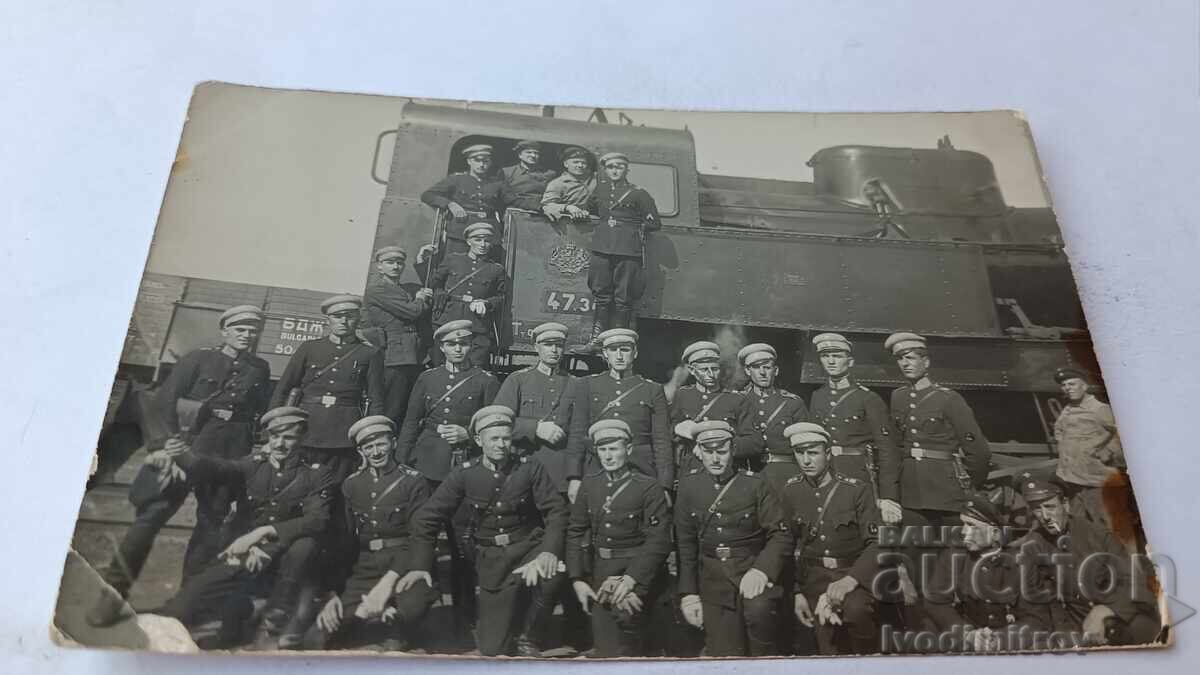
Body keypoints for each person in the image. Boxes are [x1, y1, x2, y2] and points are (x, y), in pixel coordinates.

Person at [88, 305, 272, 627]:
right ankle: (112, 595)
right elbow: (163, 402)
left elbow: (252, 417)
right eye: (240, 329)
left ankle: (186, 604)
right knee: (150, 518)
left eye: (252, 330)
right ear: (225, 331)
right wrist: (167, 446)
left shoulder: (260, 368)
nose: (247, 335)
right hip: (185, 452)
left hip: (223, 459)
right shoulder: (197, 359)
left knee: (210, 526)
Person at [154, 407, 336, 650]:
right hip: (245, 551)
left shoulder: (316, 475)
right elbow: (214, 467)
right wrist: (182, 456)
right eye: (275, 436)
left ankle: (270, 632)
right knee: (182, 606)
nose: (280, 444)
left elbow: (317, 520)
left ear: (301, 439)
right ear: (268, 438)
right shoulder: (253, 465)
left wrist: (262, 537)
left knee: (305, 546)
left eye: (288, 437)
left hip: (286, 557)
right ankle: (232, 626)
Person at [409, 405, 568, 656]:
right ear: (478, 440)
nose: (501, 445)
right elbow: (426, 518)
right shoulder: (464, 474)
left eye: (506, 438)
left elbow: (556, 511)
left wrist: (548, 551)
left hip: (528, 549)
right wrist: (420, 564)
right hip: (492, 559)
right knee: (493, 649)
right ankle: (510, 618)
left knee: (553, 573)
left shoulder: (529, 468)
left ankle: (529, 636)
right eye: (494, 438)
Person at [395, 318, 499, 630]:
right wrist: (402, 462)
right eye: (451, 344)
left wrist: (468, 434)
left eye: (463, 343)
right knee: (420, 535)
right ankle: (415, 607)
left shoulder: (484, 380)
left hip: (462, 470)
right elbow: (410, 422)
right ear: (442, 347)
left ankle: (464, 612)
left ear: (471, 346)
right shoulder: (428, 379)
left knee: (461, 542)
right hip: (426, 467)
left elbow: (493, 427)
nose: (458, 349)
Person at [306, 416, 437, 651]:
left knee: (412, 609)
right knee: (319, 636)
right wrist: (333, 592)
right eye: (368, 446)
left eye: (381, 444)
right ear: (361, 451)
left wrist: (389, 581)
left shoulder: (414, 482)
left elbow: (420, 536)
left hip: (403, 562)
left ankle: (397, 622)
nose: (375, 452)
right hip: (364, 566)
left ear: (393, 443)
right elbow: (343, 541)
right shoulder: (352, 484)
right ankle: (372, 614)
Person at [675, 420, 792, 657]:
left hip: (751, 573)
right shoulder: (689, 487)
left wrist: (762, 570)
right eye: (709, 452)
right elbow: (686, 545)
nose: (716, 459)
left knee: (762, 634)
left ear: (733, 450)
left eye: (722, 451)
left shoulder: (754, 484)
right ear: (699, 452)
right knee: (725, 655)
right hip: (712, 583)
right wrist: (688, 595)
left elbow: (781, 533)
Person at [1014, 476, 1162, 647]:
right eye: (1036, 510)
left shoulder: (1097, 535)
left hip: (1120, 617)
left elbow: (1134, 582)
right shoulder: (1033, 546)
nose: (1045, 516)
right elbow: (1036, 601)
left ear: (1065, 504)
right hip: (1073, 628)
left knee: (1144, 633)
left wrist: (1107, 611)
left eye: (1050, 507)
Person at [566, 419, 672, 657]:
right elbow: (575, 532)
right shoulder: (590, 485)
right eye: (602, 450)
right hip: (601, 571)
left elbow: (659, 540)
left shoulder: (648, 487)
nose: (608, 456)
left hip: (638, 572)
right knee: (607, 650)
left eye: (613, 449)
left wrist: (631, 580)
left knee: (626, 618)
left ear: (629, 449)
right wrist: (577, 579)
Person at [781, 422, 881, 655]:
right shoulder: (791, 491)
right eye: (800, 453)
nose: (806, 460)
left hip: (851, 576)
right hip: (812, 581)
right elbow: (785, 543)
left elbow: (877, 543)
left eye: (813, 453)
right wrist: (795, 593)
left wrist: (850, 581)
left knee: (857, 612)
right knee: (824, 647)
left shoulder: (856, 490)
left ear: (828, 454)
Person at [270, 294, 386, 483]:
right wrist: (275, 427)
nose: (343, 321)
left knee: (335, 486)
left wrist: (371, 437)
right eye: (337, 316)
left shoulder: (370, 353)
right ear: (328, 319)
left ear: (357, 319)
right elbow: (284, 388)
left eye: (349, 316)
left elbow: (376, 399)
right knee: (293, 483)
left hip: (343, 433)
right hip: (306, 428)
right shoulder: (309, 348)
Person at [884, 332, 990, 528]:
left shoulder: (949, 399)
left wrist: (962, 486)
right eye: (900, 359)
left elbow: (979, 451)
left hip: (945, 492)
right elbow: (895, 448)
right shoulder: (898, 397)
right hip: (910, 493)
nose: (905, 363)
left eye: (910, 358)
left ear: (926, 362)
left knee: (948, 551)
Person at [565, 328, 673, 492]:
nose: (619, 356)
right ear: (605, 353)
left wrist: (664, 484)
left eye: (625, 350)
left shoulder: (652, 389)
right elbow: (577, 434)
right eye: (613, 350)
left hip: (640, 469)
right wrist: (574, 476)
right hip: (597, 468)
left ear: (635, 353)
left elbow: (661, 441)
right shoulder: (587, 385)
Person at [808, 333, 900, 512]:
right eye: (826, 356)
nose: (831, 361)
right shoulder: (817, 397)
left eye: (837, 356)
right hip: (825, 475)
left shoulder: (868, 398)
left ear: (850, 362)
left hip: (857, 475)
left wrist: (888, 496)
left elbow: (887, 450)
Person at [922, 497, 1026, 652]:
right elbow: (935, 600)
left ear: (995, 533)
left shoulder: (1020, 562)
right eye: (963, 524)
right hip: (966, 636)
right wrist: (966, 634)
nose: (964, 532)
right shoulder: (954, 556)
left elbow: (1036, 618)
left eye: (972, 526)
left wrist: (1000, 639)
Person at [583, 152, 661, 344]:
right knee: (601, 296)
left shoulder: (639, 194)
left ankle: (619, 340)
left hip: (627, 251)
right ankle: (596, 340)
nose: (615, 170)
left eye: (619, 166)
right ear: (606, 170)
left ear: (627, 169)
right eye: (610, 167)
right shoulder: (599, 190)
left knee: (623, 299)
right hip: (602, 249)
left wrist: (635, 228)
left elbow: (655, 222)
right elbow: (589, 208)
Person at [362, 246, 433, 425]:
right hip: (393, 356)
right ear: (379, 266)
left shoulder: (406, 289)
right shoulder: (377, 289)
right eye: (389, 262)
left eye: (399, 263)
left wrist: (422, 261)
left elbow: (432, 285)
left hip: (412, 356)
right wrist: (420, 299)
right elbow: (411, 313)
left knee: (406, 408)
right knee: (390, 408)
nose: (395, 266)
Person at [1051, 366, 1127, 531]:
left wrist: (1109, 452)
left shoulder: (1099, 409)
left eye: (1072, 384)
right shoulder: (1068, 410)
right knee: (1082, 526)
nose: (1068, 388)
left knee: (1109, 526)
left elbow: (1124, 435)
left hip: (1096, 481)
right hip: (1073, 480)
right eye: (1064, 385)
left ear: (1084, 386)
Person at [425, 221, 508, 367]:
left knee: (475, 366)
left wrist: (486, 303)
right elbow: (433, 283)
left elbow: (501, 297)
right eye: (478, 240)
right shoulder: (453, 259)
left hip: (476, 325)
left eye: (487, 240)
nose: (482, 244)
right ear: (468, 241)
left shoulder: (496, 269)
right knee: (440, 366)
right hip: (448, 320)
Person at [669, 340, 752, 478]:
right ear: (691, 370)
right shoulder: (683, 395)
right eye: (703, 369)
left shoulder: (736, 400)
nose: (710, 374)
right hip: (691, 469)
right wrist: (680, 429)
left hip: (727, 469)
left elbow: (753, 441)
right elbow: (669, 428)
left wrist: (722, 447)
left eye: (714, 369)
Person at [732, 343, 809, 491]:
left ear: (776, 370)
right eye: (756, 367)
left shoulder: (792, 403)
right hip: (749, 473)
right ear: (748, 371)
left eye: (767, 367)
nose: (762, 372)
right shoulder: (737, 402)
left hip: (785, 474)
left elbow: (805, 444)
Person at [420, 144, 504, 254]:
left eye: (485, 161)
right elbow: (428, 195)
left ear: (490, 163)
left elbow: (514, 201)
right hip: (460, 232)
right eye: (477, 160)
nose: (481, 164)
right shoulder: (456, 180)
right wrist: (450, 204)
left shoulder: (497, 184)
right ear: (469, 161)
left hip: (488, 234)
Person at [541, 146, 598, 222]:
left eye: (583, 163)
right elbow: (547, 206)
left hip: (591, 222)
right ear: (566, 164)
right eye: (575, 162)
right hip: (568, 225)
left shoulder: (592, 180)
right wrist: (568, 207)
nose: (580, 165)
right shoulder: (557, 184)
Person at [499, 139, 555, 212]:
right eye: (528, 152)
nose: (533, 155)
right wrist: (534, 206)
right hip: (516, 212)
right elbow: (506, 197)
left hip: (543, 212)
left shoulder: (549, 174)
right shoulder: (507, 172)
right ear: (520, 155)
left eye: (536, 153)